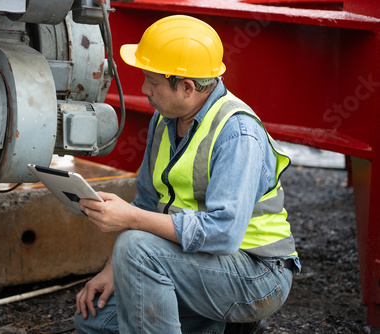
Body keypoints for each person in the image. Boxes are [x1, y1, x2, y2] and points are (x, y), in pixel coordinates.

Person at [74, 15, 300, 334]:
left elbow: (224, 233)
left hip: (257, 273)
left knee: (137, 248)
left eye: (152, 82)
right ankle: (226, 325)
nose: (144, 90)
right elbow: (148, 201)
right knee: (96, 322)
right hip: (200, 264)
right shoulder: (165, 119)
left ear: (187, 87)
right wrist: (113, 269)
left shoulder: (237, 134)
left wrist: (130, 221)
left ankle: (234, 316)